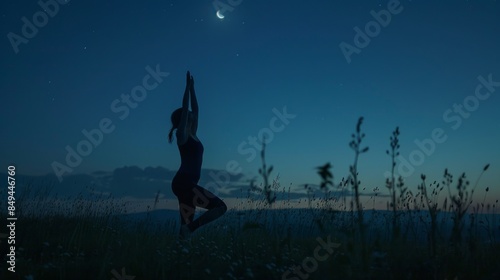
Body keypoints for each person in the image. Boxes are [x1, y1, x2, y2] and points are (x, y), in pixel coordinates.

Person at [168, 71, 227, 239]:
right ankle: (191, 229)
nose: (193, 115)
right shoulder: (182, 136)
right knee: (220, 207)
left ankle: (180, 249)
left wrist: (193, 88)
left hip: (187, 183)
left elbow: (196, 108)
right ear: (184, 118)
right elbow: (187, 109)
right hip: (184, 183)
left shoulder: (193, 134)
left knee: (184, 227)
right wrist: (186, 89)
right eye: (188, 115)